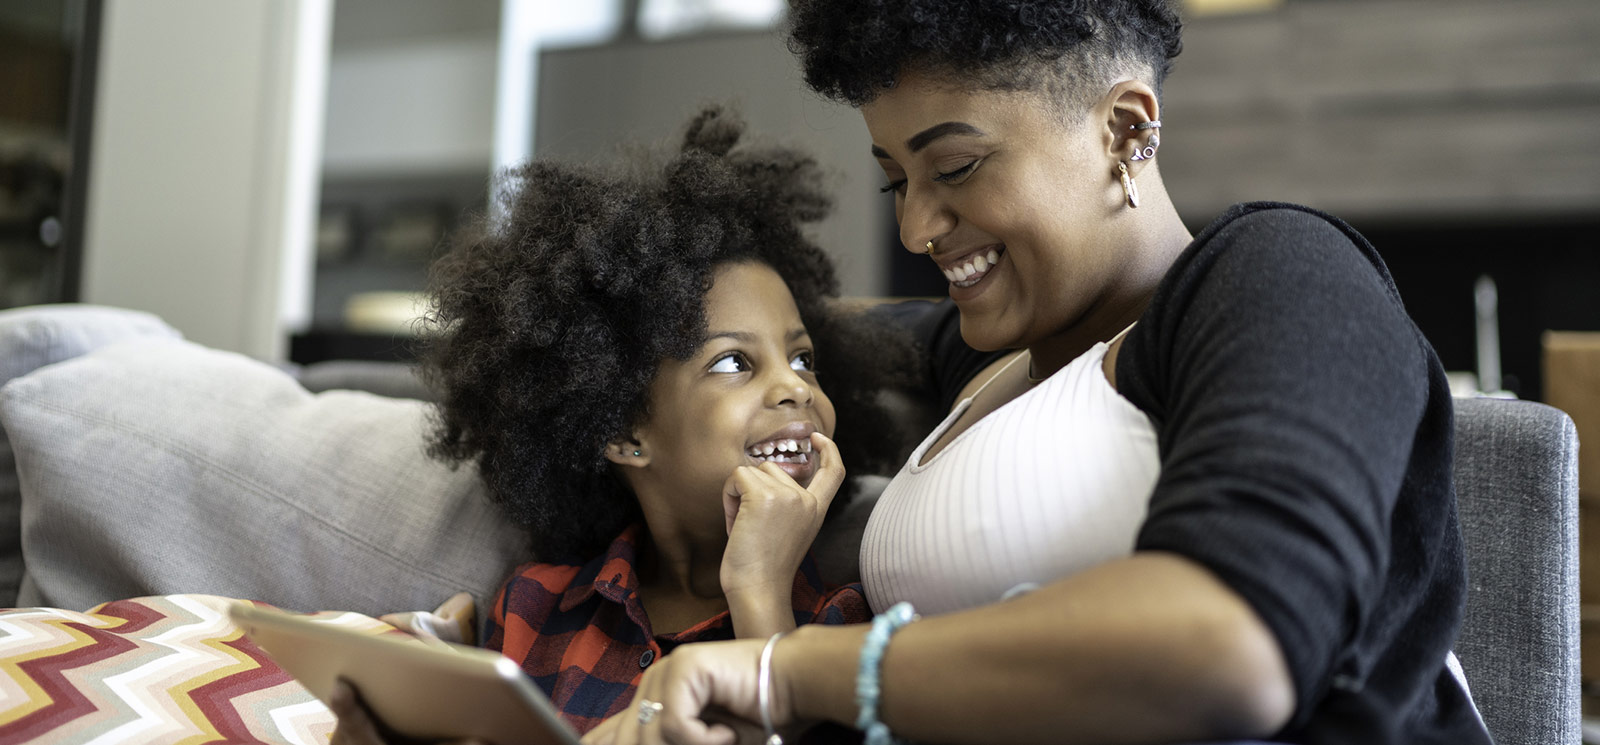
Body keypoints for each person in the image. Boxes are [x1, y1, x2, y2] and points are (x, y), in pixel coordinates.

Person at [593, 2, 1491, 744]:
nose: (915, 228)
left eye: (954, 166)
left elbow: (1233, 639)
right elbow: (727, 337)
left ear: (1124, 128)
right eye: (894, 180)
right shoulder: (985, 356)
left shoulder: (1278, 272)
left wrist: (780, 673)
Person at [328, 106, 908, 743]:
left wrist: (760, 587)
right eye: (735, 362)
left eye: (803, 358)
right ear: (623, 432)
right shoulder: (535, 607)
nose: (796, 386)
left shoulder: (845, 623)